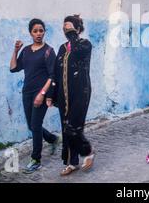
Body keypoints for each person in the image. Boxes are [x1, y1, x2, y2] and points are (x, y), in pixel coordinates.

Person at [47, 15, 94, 176]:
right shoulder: (61, 48)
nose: (65, 31)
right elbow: (55, 73)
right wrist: (51, 95)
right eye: (64, 28)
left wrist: (73, 35)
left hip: (81, 92)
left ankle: (87, 152)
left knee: (73, 127)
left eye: (69, 28)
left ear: (78, 29)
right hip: (63, 95)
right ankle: (72, 162)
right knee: (66, 128)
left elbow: (77, 50)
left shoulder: (85, 45)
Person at [10, 18, 59, 173]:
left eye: (41, 30)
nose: (38, 34)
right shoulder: (26, 51)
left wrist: (42, 94)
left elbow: (53, 76)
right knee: (31, 126)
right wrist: (15, 50)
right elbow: (13, 68)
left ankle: (36, 159)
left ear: (44, 32)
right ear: (30, 33)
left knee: (36, 125)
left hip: (42, 93)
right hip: (27, 92)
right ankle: (52, 139)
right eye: (35, 31)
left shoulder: (49, 51)